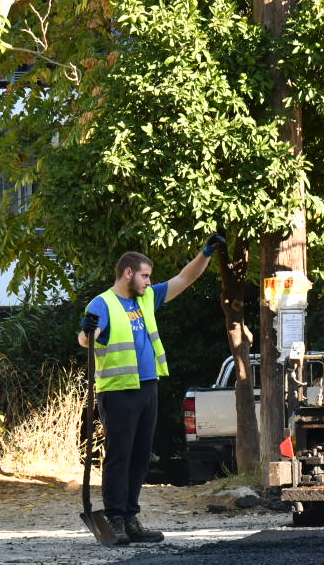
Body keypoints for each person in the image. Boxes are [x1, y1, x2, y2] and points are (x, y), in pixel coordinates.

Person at [78, 234, 224, 546]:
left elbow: (185, 278)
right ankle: (115, 518)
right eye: (145, 275)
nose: (149, 281)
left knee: (141, 455)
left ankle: (130, 518)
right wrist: (88, 332)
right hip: (118, 390)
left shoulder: (146, 298)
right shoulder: (102, 303)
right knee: (120, 455)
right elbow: (86, 337)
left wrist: (205, 253)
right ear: (128, 273)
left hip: (147, 387)